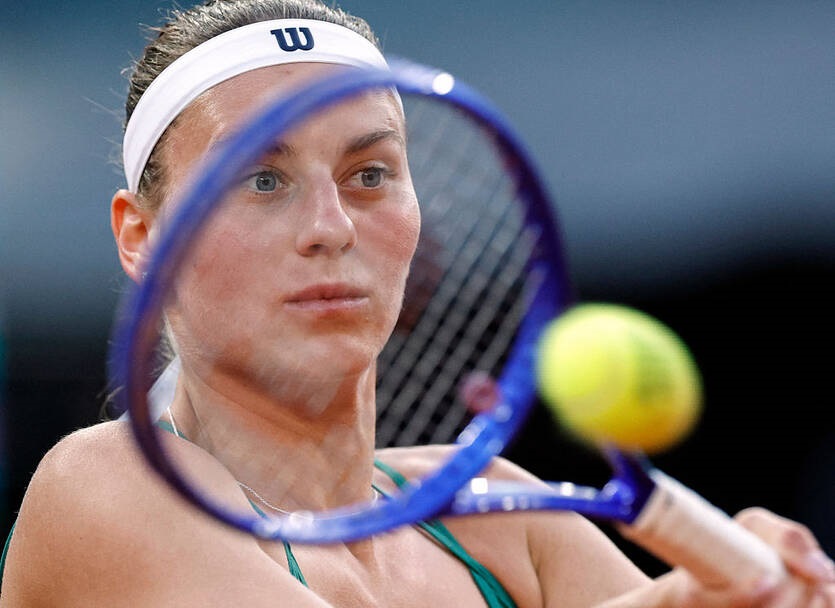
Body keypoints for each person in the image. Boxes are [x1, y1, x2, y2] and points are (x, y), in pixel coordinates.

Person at [2, 1, 834, 606]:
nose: (330, 227)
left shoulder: (502, 517)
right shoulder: (103, 488)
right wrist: (677, 598)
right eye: (261, 180)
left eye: (369, 175)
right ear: (142, 236)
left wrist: (754, 589)